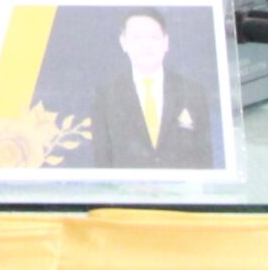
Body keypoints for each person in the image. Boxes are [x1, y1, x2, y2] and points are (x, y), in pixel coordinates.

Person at [89, 10, 216, 168]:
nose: (146, 45)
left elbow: (204, 156)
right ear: (123, 43)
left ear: (166, 42)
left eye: (153, 37)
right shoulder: (106, 95)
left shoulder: (192, 91)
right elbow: (102, 157)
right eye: (137, 37)